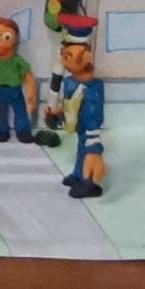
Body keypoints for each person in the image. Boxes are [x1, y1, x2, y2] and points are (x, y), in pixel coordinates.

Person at [46, 15, 112, 196]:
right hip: (77, 125)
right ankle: (78, 174)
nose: (63, 60)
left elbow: (93, 114)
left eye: (68, 56)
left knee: (87, 150)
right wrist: (58, 114)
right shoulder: (70, 82)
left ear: (85, 58)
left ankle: (89, 181)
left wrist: (93, 140)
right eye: (64, 55)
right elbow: (69, 105)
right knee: (80, 149)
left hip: (88, 128)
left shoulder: (93, 88)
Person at [0, 15, 37, 143]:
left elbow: (28, 75)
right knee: (0, 111)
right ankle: (1, 130)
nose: (3, 43)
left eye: (7, 37)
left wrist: (31, 92)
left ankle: (23, 130)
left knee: (21, 111)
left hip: (16, 90)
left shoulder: (18, 60)